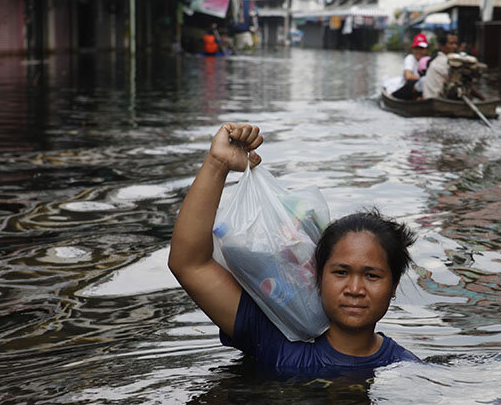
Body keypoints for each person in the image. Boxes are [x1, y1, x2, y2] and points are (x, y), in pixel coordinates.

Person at [168, 123, 419, 374]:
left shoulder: (404, 368)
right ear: (318, 277)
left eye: (371, 275)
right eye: (341, 272)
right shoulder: (275, 339)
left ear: (394, 285)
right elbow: (189, 264)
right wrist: (216, 164)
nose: (355, 289)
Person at [390, 33, 429, 100]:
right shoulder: (410, 58)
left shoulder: (428, 60)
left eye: (421, 48)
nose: (418, 51)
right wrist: (427, 80)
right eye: (416, 48)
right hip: (406, 89)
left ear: (427, 50)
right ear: (413, 49)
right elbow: (408, 77)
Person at [422, 31, 459, 99]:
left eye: (456, 43)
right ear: (442, 46)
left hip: (433, 98)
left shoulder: (440, 58)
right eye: (451, 43)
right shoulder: (443, 61)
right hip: (435, 98)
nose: (455, 46)